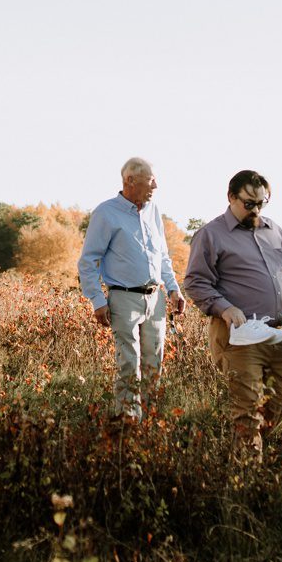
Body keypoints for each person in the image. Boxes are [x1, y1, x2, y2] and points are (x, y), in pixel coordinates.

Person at [184, 169, 282, 459]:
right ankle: (246, 478)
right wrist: (224, 308)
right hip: (238, 336)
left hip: (276, 334)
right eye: (249, 203)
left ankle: (249, 449)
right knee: (247, 408)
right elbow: (196, 282)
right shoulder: (211, 235)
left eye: (262, 202)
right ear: (231, 197)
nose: (256, 209)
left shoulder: (275, 231)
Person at [78, 157, 187, 423]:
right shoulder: (106, 213)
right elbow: (88, 261)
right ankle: (128, 417)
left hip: (155, 298)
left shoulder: (153, 211)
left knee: (155, 360)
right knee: (129, 359)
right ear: (130, 181)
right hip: (123, 296)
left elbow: (162, 255)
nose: (156, 185)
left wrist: (174, 289)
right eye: (151, 180)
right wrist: (97, 300)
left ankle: (149, 419)